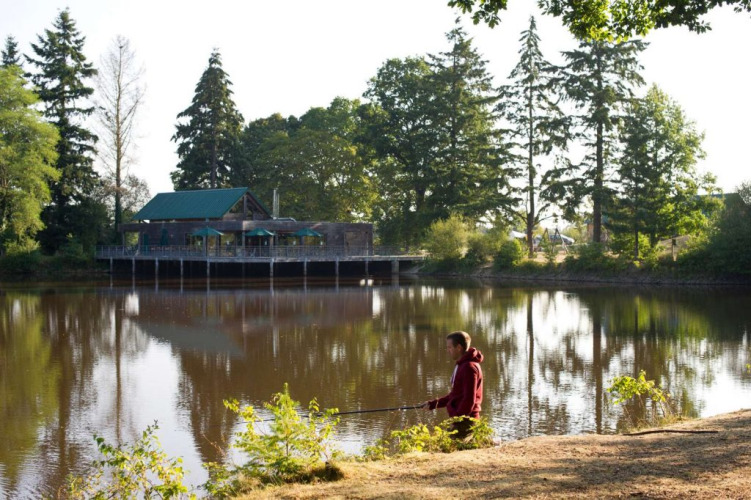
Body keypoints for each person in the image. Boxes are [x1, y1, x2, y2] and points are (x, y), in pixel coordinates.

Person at [423, 331, 484, 438]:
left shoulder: (469, 367)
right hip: (461, 420)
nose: (448, 351)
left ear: (459, 347)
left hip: (466, 422)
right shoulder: (463, 365)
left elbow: (469, 399)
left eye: (450, 347)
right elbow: (455, 395)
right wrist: (433, 404)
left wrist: (458, 418)